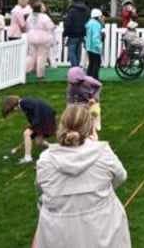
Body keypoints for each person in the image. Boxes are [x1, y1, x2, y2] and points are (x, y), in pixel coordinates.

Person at [35, 104, 130, 248]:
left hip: (58, 231)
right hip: (102, 227)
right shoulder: (103, 153)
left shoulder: (45, 159)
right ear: (89, 128)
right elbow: (120, 177)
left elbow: (41, 187)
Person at [2, 95, 56, 164]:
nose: (14, 111)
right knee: (39, 142)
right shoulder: (23, 106)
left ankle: (28, 158)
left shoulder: (23, 103)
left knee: (26, 133)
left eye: (12, 110)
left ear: (14, 105)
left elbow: (37, 105)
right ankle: (57, 148)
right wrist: (33, 131)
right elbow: (31, 117)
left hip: (45, 117)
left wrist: (36, 120)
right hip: (44, 117)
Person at [66, 66, 102, 137]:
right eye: (72, 83)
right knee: (83, 112)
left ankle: (96, 121)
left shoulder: (89, 80)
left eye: (75, 83)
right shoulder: (71, 86)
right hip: (82, 99)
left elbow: (99, 86)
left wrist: (95, 97)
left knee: (94, 111)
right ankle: (85, 124)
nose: (73, 84)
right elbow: (70, 98)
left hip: (92, 98)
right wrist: (69, 109)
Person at [25, 2, 55, 79]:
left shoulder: (30, 16)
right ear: (40, 8)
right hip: (43, 37)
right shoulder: (44, 17)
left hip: (31, 36)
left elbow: (27, 26)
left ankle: (26, 70)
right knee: (42, 56)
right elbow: (50, 26)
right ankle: (40, 74)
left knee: (31, 55)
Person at [62, 0, 89, 68]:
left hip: (72, 34)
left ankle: (74, 68)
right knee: (78, 51)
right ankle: (77, 67)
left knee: (71, 51)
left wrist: (65, 34)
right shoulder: (87, 10)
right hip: (82, 34)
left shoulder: (71, 11)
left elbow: (68, 24)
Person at [85, 7, 105, 80]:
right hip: (95, 47)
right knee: (97, 63)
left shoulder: (89, 23)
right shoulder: (96, 24)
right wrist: (98, 46)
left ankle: (88, 77)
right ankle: (95, 78)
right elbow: (95, 37)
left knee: (91, 63)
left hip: (89, 47)